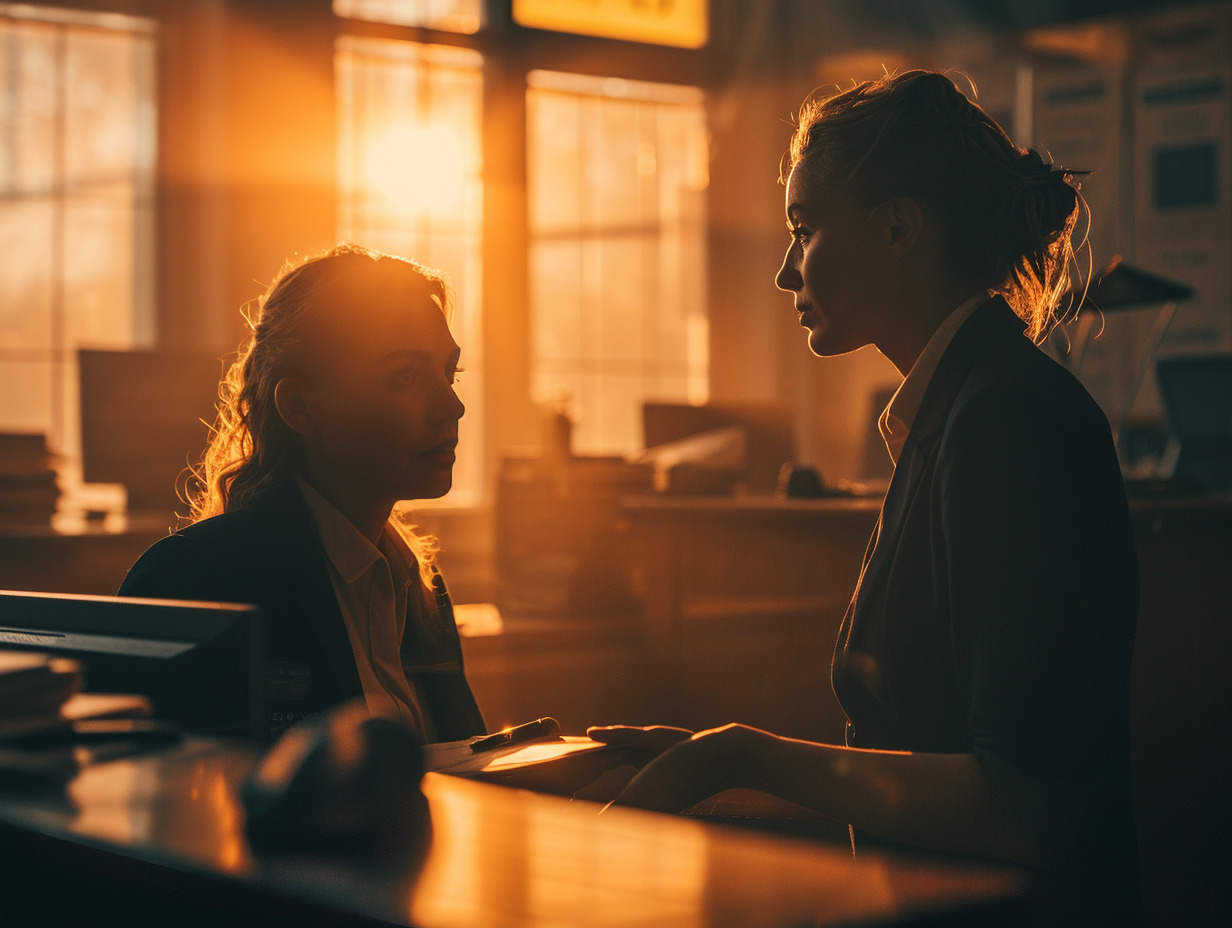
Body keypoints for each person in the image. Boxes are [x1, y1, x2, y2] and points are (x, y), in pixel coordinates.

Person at [589, 70, 1140, 923]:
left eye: (803, 228)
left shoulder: (1008, 420)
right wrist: (712, 773)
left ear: (896, 228)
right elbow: (908, 772)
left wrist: (750, 757)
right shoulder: (957, 409)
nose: (783, 270)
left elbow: (1028, 809)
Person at [120, 244, 485, 744]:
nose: (453, 406)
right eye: (405, 376)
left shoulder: (417, 585)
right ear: (299, 405)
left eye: (449, 373)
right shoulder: (194, 577)